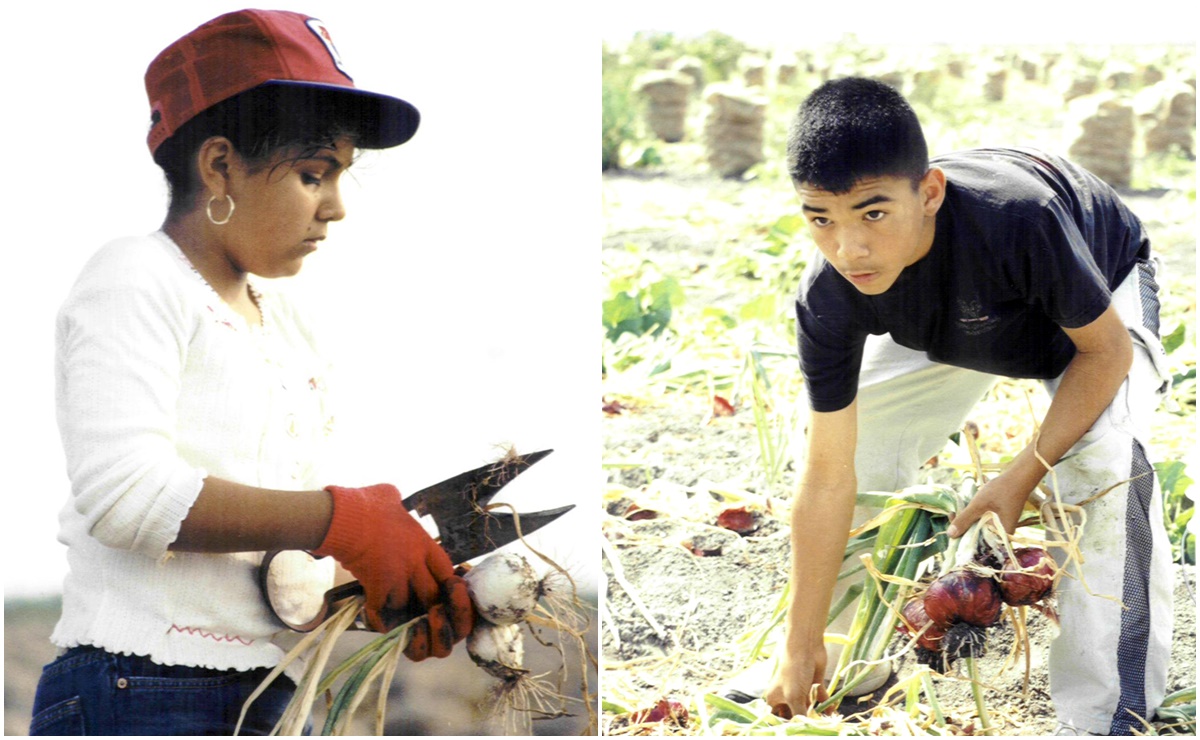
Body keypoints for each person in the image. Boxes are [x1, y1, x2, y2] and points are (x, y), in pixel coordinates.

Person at [30, 9, 473, 735]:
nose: (334, 208)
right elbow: (125, 495)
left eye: (341, 177)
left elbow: (270, 565)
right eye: (312, 174)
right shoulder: (135, 277)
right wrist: (345, 519)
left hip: (268, 695)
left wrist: (375, 591)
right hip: (139, 691)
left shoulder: (289, 322)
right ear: (219, 166)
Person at [757, 77, 1174, 735]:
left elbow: (1105, 355)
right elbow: (828, 476)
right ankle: (841, 673)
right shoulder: (831, 296)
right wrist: (797, 635)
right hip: (952, 323)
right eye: (820, 219)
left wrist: (1022, 473)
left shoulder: (1020, 218)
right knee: (859, 454)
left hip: (1093, 308)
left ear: (929, 192)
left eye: (872, 212)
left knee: (1103, 466)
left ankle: (1108, 714)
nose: (849, 248)